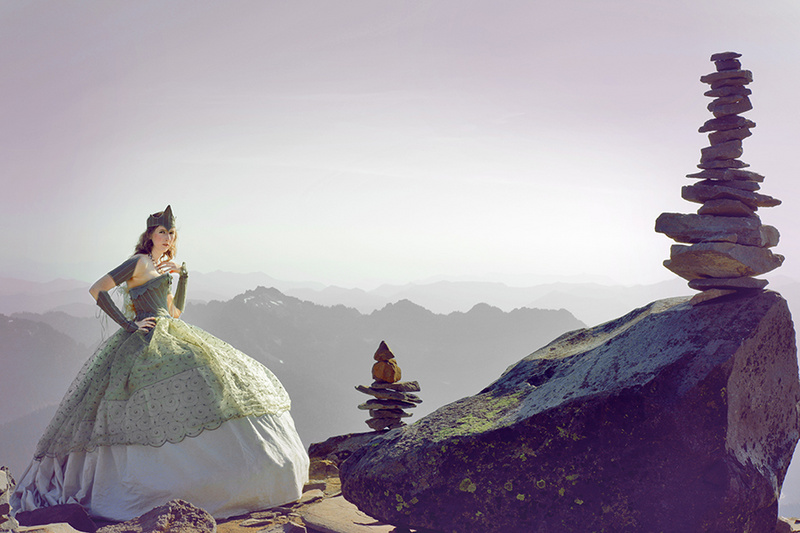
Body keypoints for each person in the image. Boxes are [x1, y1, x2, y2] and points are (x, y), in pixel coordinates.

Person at [12, 206, 309, 521]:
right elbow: (97, 289)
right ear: (150, 235)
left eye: (171, 233)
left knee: (210, 369)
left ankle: (226, 471)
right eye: (162, 232)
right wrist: (129, 326)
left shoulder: (161, 265)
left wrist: (182, 279)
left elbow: (175, 313)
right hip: (144, 337)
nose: (168, 238)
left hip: (172, 331)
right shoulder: (138, 262)